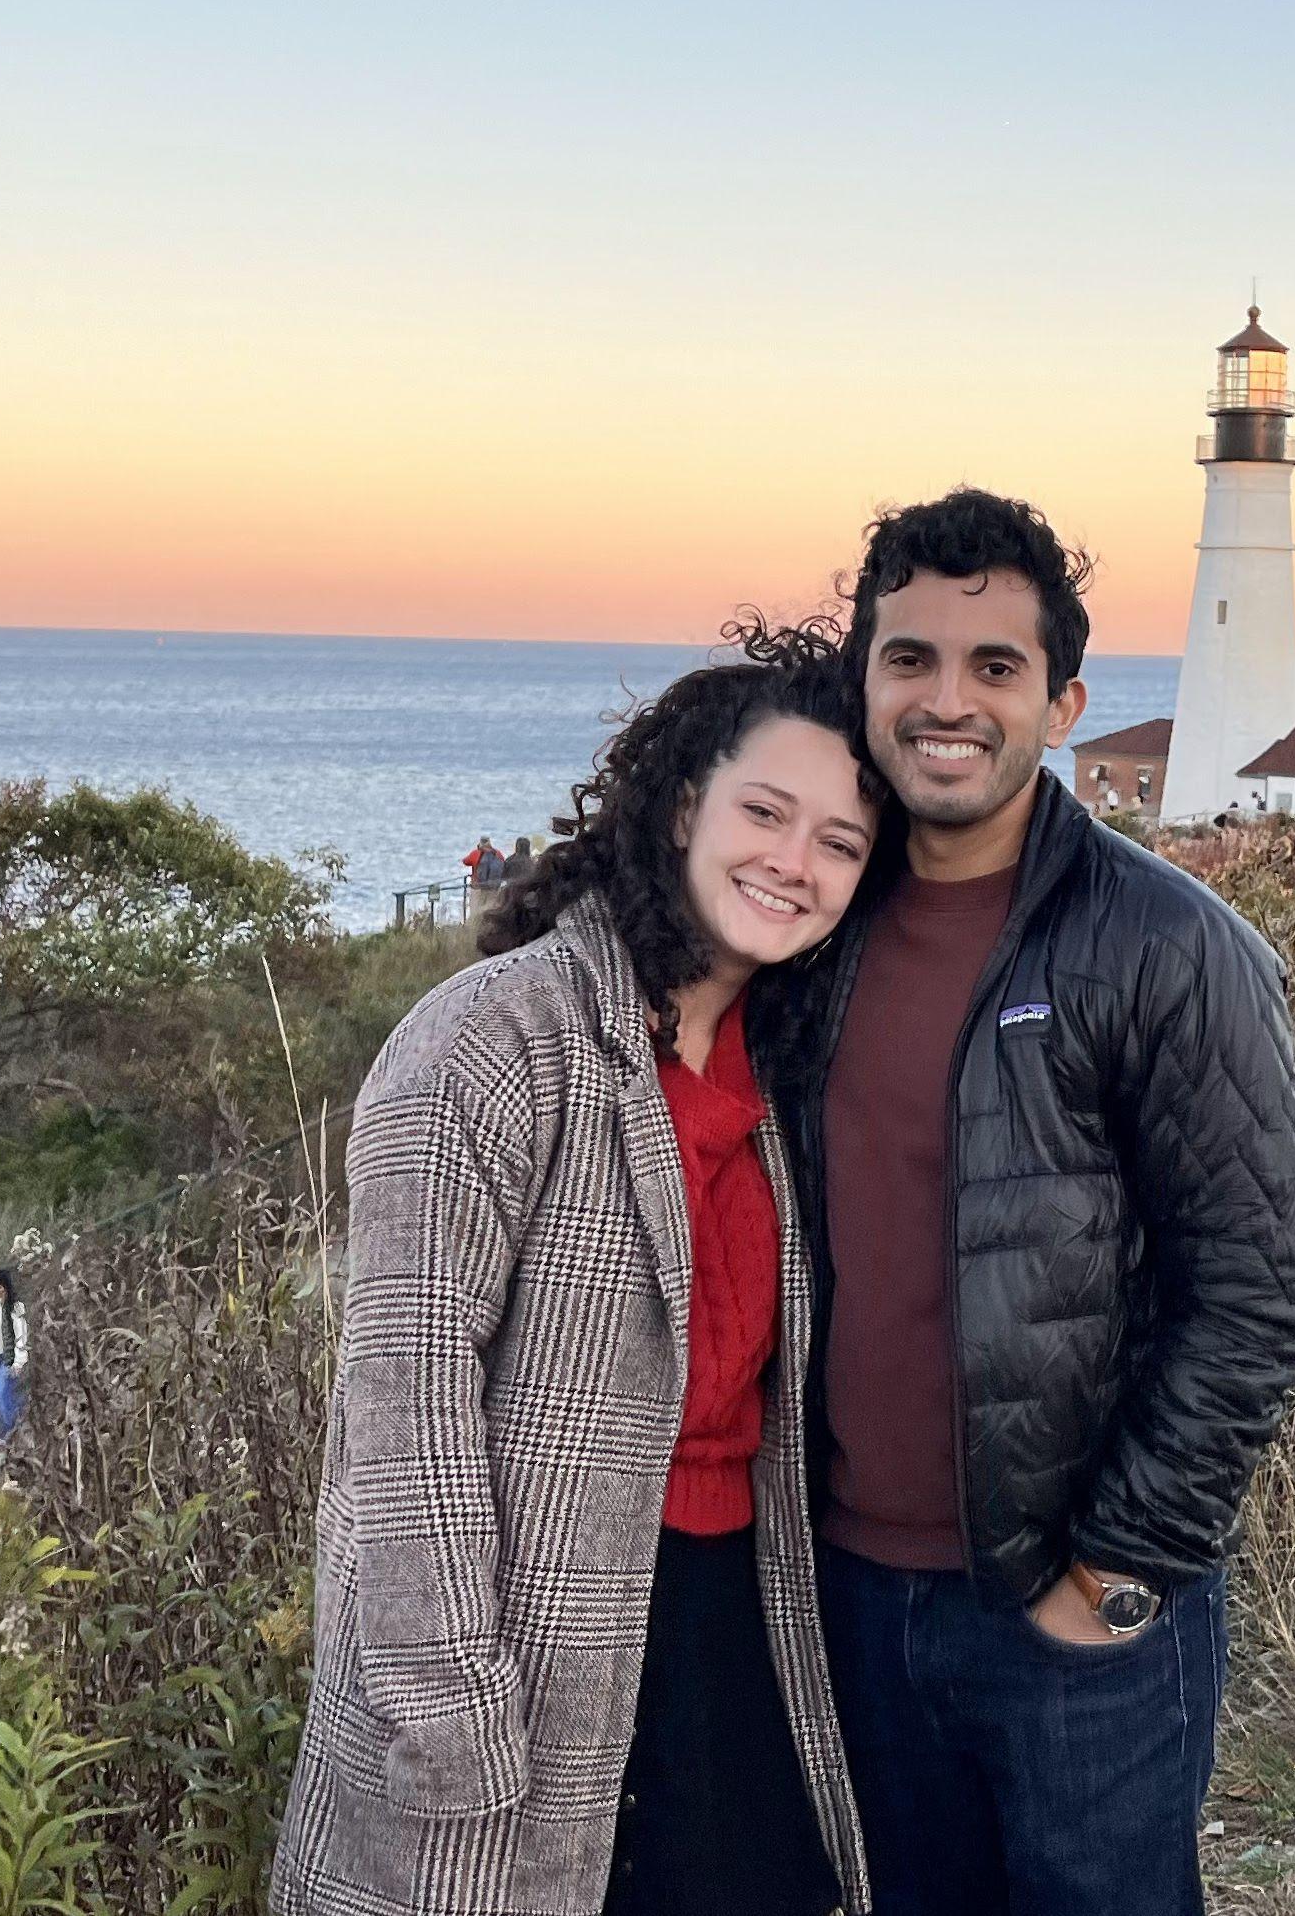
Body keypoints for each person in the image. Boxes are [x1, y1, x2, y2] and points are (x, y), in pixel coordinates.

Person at [758, 488, 1295, 1916]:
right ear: (864, 682)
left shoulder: (1169, 943)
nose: (948, 701)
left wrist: (1118, 1568)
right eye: (910, 659)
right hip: (848, 1594)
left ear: (1061, 705)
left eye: (995, 666)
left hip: (1072, 1613)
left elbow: (1263, 1291)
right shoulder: (808, 929)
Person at [277, 630, 884, 1916]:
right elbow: (406, 1403)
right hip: (527, 1636)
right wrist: (449, 1702)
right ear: (682, 807)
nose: (795, 860)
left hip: (737, 1624)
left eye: (840, 840)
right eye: (765, 812)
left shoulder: (788, 1071)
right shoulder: (494, 1037)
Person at [0, 1268, 30, 1441]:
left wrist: (18, 1362)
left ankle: (10, 1428)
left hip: (7, 1357)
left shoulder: (15, 1308)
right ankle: (19, 1408)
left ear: (2, 1286)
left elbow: (21, 1336)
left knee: (1, 1394)